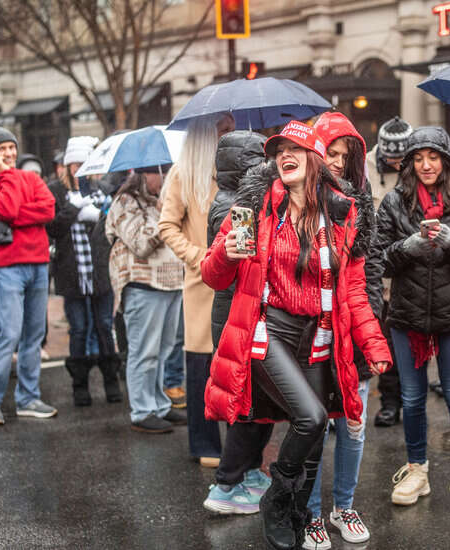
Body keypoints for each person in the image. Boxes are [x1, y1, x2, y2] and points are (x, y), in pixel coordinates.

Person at [201, 120, 391, 550]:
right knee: (312, 417)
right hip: (269, 332)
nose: (285, 154)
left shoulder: (342, 212)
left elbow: (356, 290)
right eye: (279, 149)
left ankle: (300, 517)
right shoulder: (255, 207)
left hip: (320, 335)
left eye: (295, 148)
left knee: (314, 436)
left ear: (316, 159)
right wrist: (225, 255)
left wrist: (373, 344)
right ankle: (278, 500)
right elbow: (212, 276)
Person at [377, 126, 450, 513]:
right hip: (406, 314)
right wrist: (408, 246)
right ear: (408, 164)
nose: (426, 165)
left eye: (433, 157)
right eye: (418, 158)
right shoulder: (393, 203)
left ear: (447, 161)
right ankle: (417, 469)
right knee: (412, 398)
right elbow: (379, 258)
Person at [296, 112, 383, 549]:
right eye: (328, 152)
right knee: (313, 427)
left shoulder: (360, 202)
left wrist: (371, 334)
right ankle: (310, 513)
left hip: (350, 328)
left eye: (342, 156)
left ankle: (343, 505)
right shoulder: (293, 199)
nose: (334, 162)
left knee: (353, 423)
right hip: (308, 332)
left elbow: (364, 274)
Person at [202, 129, 275, 515]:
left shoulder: (238, 200)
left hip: (240, 312)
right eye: (260, 163)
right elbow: (243, 255)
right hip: (236, 315)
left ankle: (247, 472)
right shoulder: (234, 207)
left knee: (259, 399)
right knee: (245, 402)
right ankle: (227, 483)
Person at [159, 113, 236, 468]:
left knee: (238, 362)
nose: (230, 136)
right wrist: (198, 257)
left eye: (232, 130)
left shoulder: (238, 171)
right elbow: (167, 226)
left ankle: (239, 441)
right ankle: (204, 443)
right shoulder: (183, 173)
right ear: (206, 135)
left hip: (239, 281)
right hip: (202, 283)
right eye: (224, 130)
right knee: (202, 364)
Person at [0, 126, 58, 426]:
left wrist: (12, 215)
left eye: (12, 147)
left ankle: (28, 398)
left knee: (33, 335)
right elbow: (6, 208)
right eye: (2, 149)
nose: (9, 154)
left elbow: (48, 209)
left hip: (38, 263)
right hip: (6, 267)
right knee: (9, 335)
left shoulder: (31, 177)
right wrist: (8, 180)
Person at [104, 168, 186, 433]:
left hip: (172, 283)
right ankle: (142, 410)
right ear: (145, 175)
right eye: (161, 174)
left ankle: (159, 405)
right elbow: (140, 243)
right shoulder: (125, 202)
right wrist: (165, 214)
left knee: (163, 349)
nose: (165, 180)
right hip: (143, 284)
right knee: (144, 351)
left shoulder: (159, 201)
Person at [47, 136, 123, 407]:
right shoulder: (55, 190)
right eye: (75, 163)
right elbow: (51, 228)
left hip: (100, 270)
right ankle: (80, 385)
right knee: (79, 329)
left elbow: (112, 227)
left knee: (104, 326)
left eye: (84, 163)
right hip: (72, 272)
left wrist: (99, 214)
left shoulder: (101, 188)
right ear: (67, 165)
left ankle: (111, 382)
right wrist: (72, 208)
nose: (79, 168)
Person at [363, 116, 411, 428]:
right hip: (373, 266)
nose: (396, 163)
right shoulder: (365, 166)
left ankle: (405, 400)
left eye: (401, 159)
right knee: (379, 337)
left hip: (404, 266)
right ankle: (388, 401)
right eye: (391, 159)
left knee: (402, 339)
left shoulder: (414, 167)